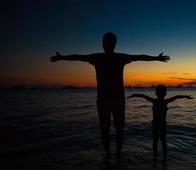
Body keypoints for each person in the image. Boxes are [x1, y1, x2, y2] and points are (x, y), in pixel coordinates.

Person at [50, 32, 170, 160]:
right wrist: (62, 57)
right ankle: (109, 156)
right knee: (107, 130)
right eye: (106, 41)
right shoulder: (100, 57)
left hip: (114, 100)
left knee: (116, 130)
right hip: (105, 100)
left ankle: (116, 156)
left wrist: (156, 58)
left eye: (110, 42)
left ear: (114, 44)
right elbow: (78, 57)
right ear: (104, 43)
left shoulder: (114, 57)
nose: (108, 44)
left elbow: (139, 57)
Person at [127, 85, 192, 159]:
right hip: (156, 124)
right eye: (160, 92)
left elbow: (176, 97)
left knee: (161, 140)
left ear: (164, 93)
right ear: (157, 93)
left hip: (162, 124)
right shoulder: (156, 101)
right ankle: (157, 155)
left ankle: (162, 156)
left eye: (163, 92)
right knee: (157, 140)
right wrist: (133, 95)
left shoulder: (163, 101)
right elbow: (143, 95)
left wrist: (186, 96)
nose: (162, 94)